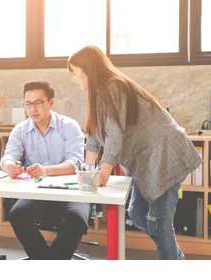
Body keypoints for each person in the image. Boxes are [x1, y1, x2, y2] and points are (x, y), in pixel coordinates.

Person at [68, 45, 202, 259]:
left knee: (160, 224)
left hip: (164, 153)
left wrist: (102, 173)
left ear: (88, 69)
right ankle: (175, 256)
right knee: (137, 213)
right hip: (144, 159)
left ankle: (172, 261)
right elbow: (93, 136)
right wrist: (88, 171)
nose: (73, 79)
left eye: (75, 73)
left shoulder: (114, 87)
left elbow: (114, 133)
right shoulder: (97, 94)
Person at [0, 80, 89, 260]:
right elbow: (8, 156)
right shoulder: (21, 129)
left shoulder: (69, 126)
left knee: (77, 219)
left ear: (51, 103)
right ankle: (46, 262)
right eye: (28, 104)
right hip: (37, 192)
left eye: (38, 103)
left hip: (71, 192)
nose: (33, 109)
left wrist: (46, 170)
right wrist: (8, 164)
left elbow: (76, 163)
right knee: (16, 214)